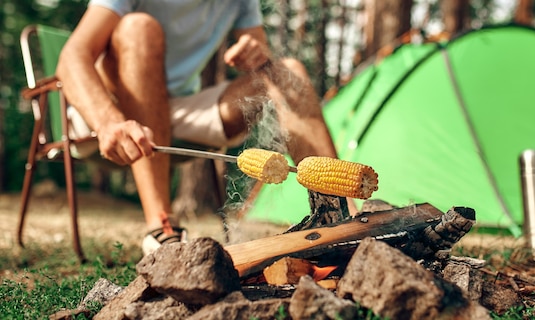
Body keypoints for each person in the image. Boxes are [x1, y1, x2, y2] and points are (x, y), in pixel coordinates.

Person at [56, 0, 346, 255]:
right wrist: (108, 121)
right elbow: (72, 57)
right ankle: (161, 228)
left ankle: (340, 219)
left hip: (180, 108)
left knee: (287, 73)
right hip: (111, 110)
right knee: (138, 27)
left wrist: (254, 53)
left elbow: (261, 58)